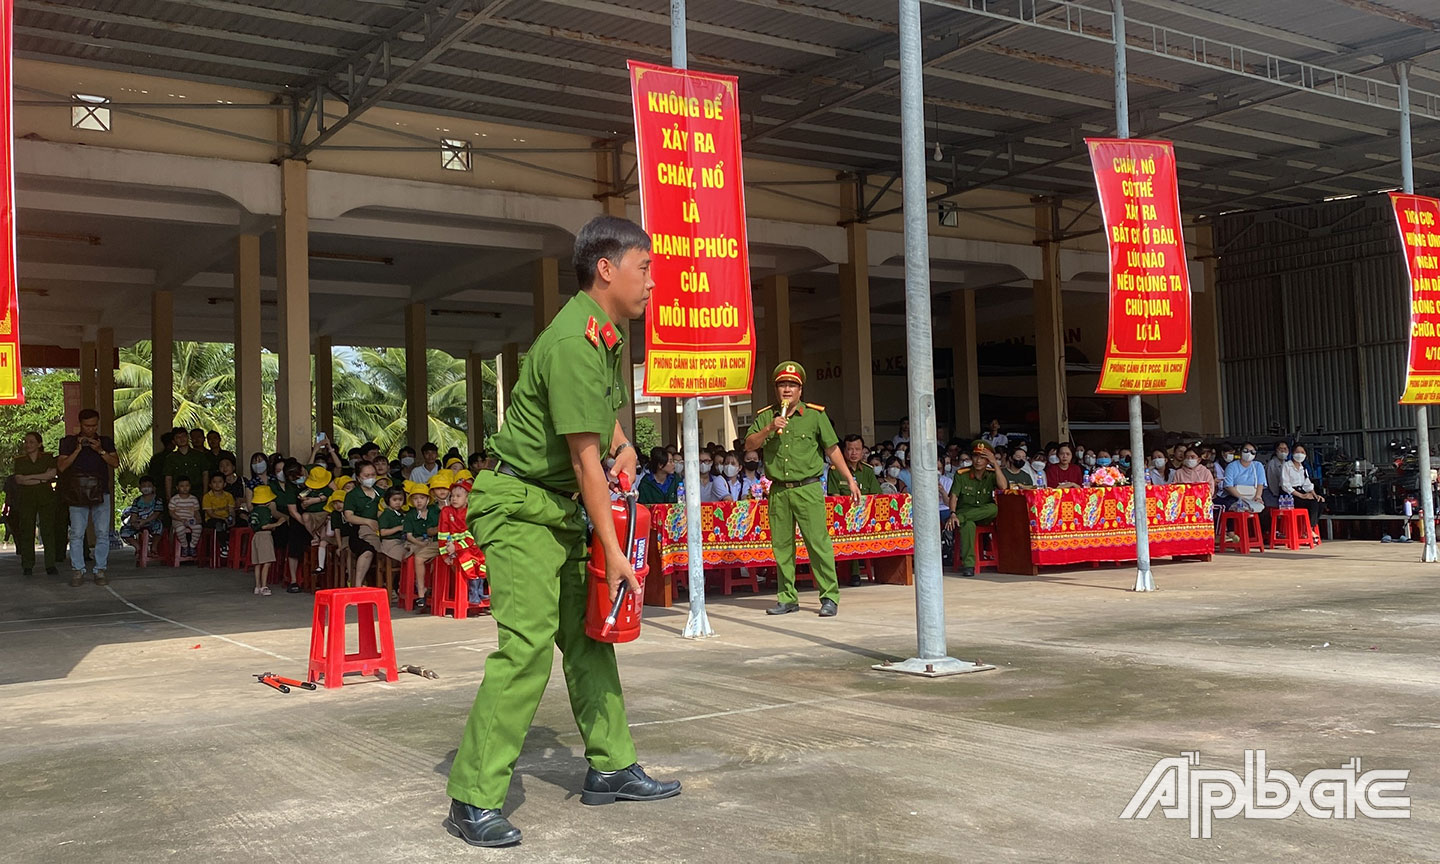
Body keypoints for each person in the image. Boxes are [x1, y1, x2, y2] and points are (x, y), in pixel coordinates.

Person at [446, 215, 678, 849]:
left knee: (590, 635)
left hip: (555, 507)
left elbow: (601, 425)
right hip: (518, 505)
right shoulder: (575, 340)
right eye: (646, 267)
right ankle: (473, 796)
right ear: (607, 269)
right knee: (526, 646)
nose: (653, 282)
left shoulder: (605, 336)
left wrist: (626, 443)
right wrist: (616, 552)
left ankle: (611, 765)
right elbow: (582, 460)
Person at [744, 360, 862, 618]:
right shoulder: (766, 415)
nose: (787, 390)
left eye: (792, 385)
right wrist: (770, 428)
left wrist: (849, 479)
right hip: (778, 490)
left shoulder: (814, 415)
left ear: (800, 390)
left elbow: (832, 449)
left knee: (818, 543)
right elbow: (749, 445)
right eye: (782, 385)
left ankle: (829, 596)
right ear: (776, 389)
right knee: (782, 546)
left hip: (808, 488)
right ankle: (787, 597)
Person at [57, 409, 119, 586]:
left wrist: (100, 450)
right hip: (77, 492)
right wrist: (77, 450)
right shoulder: (68, 442)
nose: (90, 429)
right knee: (76, 533)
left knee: (102, 532)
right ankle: (78, 570)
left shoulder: (105, 441)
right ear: (80, 425)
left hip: (100, 491)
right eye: (87, 426)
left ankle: (100, 569)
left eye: (94, 426)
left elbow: (115, 463)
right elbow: (61, 467)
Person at [947, 441, 1009, 577]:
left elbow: (1003, 487)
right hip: (965, 510)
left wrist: (995, 465)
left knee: (994, 508)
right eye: (975, 456)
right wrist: (952, 513)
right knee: (968, 525)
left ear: (988, 460)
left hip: (984, 512)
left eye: (982, 457)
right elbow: (954, 496)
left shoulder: (992, 473)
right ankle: (969, 565)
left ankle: (960, 519)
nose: (978, 460)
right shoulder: (962, 474)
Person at [827, 435, 881, 587]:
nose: (854, 453)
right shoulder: (835, 471)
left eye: (857, 449)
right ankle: (854, 573)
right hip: (844, 518)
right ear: (843, 451)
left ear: (863, 451)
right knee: (851, 530)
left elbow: (875, 496)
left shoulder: (868, 471)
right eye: (850, 449)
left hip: (867, 516)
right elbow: (835, 498)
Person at [11, 431, 59, 575]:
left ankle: (50, 564)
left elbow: (51, 475)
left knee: (48, 530)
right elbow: (19, 479)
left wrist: (29, 478)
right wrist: (41, 478)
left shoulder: (48, 458)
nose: (28, 445)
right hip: (26, 498)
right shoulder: (19, 460)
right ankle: (27, 565)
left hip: (45, 497)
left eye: (31, 442)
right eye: (26, 442)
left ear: (39, 444)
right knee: (27, 530)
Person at [343, 461, 383, 589]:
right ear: (358, 477)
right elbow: (349, 517)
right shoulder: (352, 495)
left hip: (381, 531)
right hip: (357, 532)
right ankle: (357, 586)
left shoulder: (381, 493)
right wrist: (367, 521)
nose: (370, 478)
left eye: (373, 475)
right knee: (367, 551)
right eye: (366, 475)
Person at [403, 480, 440, 613]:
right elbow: (409, 536)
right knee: (418, 557)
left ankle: (435, 589)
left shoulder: (435, 510)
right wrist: (421, 544)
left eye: (422, 498)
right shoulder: (410, 515)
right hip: (418, 542)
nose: (419, 501)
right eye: (415, 498)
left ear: (428, 499)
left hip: (437, 541)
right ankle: (421, 591)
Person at [1224, 442, 1270, 534]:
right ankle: (1232, 532)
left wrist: (1258, 497)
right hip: (1236, 495)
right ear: (1240, 452)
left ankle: (1263, 534)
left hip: (1254, 495)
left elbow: (1260, 483)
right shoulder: (1232, 466)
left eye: (1252, 452)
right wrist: (1242, 498)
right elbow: (1228, 486)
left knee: (1264, 509)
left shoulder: (1258, 465)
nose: (1249, 454)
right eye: (1246, 451)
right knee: (1231, 507)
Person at [119, 477, 164, 560]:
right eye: (144, 486)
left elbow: (156, 513)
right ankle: (138, 548)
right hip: (138, 523)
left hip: (152, 522)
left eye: (148, 486)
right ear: (139, 488)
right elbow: (134, 513)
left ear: (154, 488)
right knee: (124, 531)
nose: (146, 488)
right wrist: (133, 522)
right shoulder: (137, 500)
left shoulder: (157, 500)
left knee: (159, 527)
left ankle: (153, 548)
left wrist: (146, 521)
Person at [1281, 443, 1324, 530]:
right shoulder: (1287, 466)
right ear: (1292, 453)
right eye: (1297, 452)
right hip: (1290, 495)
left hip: (1301, 492)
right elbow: (1285, 485)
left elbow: (1307, 484)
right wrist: (1302, 496)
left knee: (1320, 502)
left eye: (1302, 452)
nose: (1300, 454)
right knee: (1313, 504)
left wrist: (1315, 495)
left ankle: (1309, 526)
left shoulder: (1303, 468)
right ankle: (1309, 529)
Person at [248, 484, 281, 596]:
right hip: (265, 536)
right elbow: (265, 526)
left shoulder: (254, 511)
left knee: (257, 563)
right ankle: (264, 586)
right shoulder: (265, 511)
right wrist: (278, 523)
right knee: (266, 562)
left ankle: (257, 586)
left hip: (256, 536)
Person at [162, 427, 208, 501]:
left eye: (183, 436)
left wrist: (205, 493)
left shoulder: (199, 455)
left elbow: (205, 474)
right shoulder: (170, 458)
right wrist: (168, 496)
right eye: (178, 437)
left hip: (197, 492)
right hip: (177, 494)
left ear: (188, 437)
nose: (181, 439)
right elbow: (168, 477)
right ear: (174, 441)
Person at [201, 473, 237, 555]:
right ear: (210, 484)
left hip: (226, 518)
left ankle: (238, 549)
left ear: (224, 484)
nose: (217, 484)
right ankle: (223, 545)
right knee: (219, 524)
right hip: (211, 520)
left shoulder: (229, 496)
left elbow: (231, 510)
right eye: (214, 482)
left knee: (242, 522)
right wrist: (223, 519)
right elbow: (210, 513)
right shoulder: (207, 497)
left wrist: (232, 518)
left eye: (220, 482)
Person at [167, 477, 201, 558]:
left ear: (190, 486)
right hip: (178, 519)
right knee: (180, 529)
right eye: (182, 486)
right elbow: (171, 512)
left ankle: (192, 546)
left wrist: (198, 519)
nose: (185, 488)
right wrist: (179, 519)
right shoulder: (174, 499)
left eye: (187, 485)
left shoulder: (193, 499)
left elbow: (196, 511)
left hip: (190, 519)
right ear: (177, 487)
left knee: (198, 527)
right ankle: (184, 546)